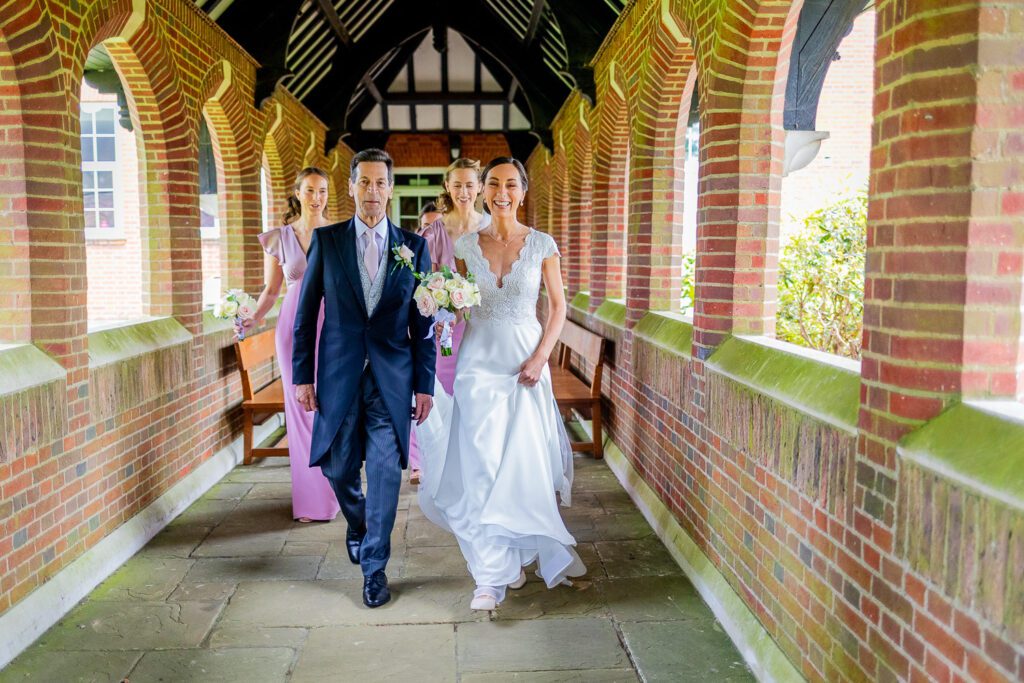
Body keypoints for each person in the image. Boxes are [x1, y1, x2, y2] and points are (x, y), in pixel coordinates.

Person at [415, 157, 585, 613]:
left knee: (520, 467)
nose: (501, 191)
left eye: (511, 184)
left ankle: (514, 553)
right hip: (478, 365)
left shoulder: (543, 244)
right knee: (481, 466)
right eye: (494, 184)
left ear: (523, 192)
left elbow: (558, 308)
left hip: (526, 362)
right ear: (484, 191)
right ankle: (490, 576)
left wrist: (540, 357)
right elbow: (465, 303)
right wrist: (443, 304)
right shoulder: (467, 246)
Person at [292, 148, 435, 609]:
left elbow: (424, 323)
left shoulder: (414, 248)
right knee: (336, 465)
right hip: (337, 375)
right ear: (351, 186)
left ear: (390, 190)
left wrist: (424, 384)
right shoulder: (328, 241)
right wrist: (302, 376)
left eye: (380, 183)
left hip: (392, 379)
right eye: (364, 182)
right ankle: (358, 523)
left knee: (384, 473)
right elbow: (306, 312)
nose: (372, 192)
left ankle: (374, 568)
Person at [239, 167, 340, 524]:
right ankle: (311, 501)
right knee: (299, 409)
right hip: (292, 326)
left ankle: (334, 490)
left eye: (323, 191)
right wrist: (253, 317)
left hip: (332, 326)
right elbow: (270, 291)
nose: (317, 197)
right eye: (310, 190)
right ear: (298, 193)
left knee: (330, 405)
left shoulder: (339, 233)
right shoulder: (280, 237)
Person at [407, 159, 488, 486]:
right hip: (444, 328)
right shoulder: (434, 231)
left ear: (480, 186)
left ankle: (473, 459)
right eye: (457, 185)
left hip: (483, 325)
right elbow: (423, 280)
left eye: (470, 185)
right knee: (436, 391)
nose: (464, 192)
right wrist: (439, 313)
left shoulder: (491, 227)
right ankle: (430, 460)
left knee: (478, 391)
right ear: (448, 187)